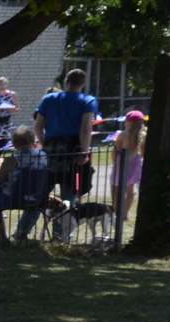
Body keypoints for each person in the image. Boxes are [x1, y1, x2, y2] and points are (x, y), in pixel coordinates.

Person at [33, 69, 98, 239]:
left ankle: (22, 231)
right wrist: (84, 151)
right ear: (82, 84)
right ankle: (60, 235)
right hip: (73, 149)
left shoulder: (48, 99)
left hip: (52, 149)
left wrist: (44, 143)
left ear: (66, 82)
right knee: (69, 194)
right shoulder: (88, 101)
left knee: (40, 193)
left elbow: (38, 126)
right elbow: (86, 128)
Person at [113, 109, 146, 229]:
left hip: (122, 163)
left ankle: (118, 212)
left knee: (118, 189)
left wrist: (114, 163)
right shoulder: (144, 135)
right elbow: (143, 153)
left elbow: (116, 150)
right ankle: (125, 213)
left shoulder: (122, 134)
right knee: (131, 189)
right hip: (136, 163)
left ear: (128, 122)